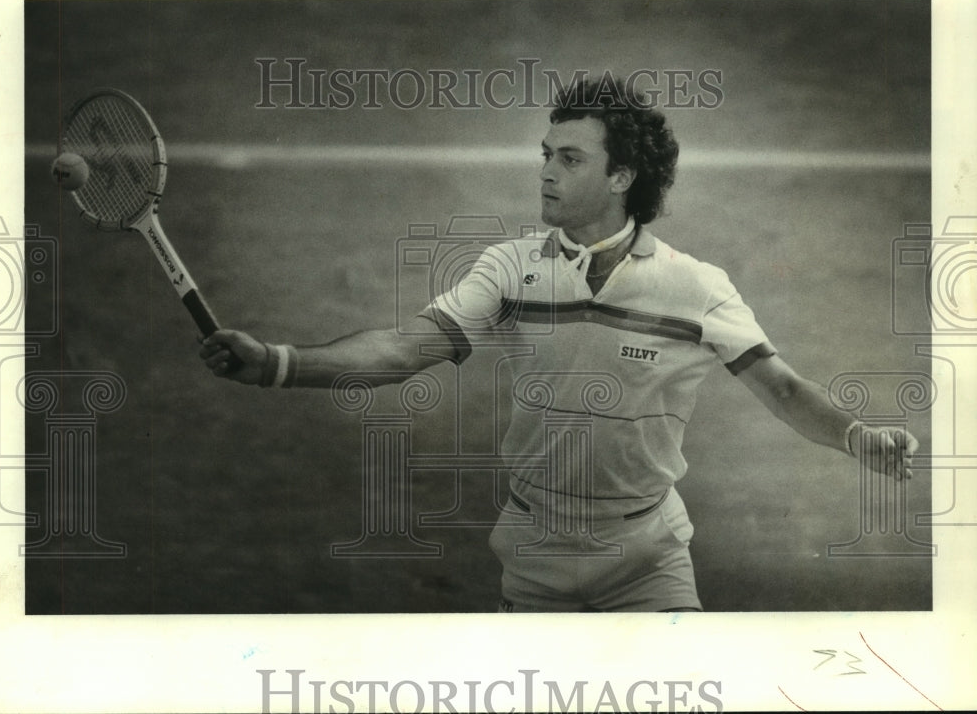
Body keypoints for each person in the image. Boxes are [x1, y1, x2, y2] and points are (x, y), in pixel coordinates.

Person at [200, 76, 918, 612]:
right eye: (546, 153)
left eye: (569, 158)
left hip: (649, 559)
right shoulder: (510, 269)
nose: (545, 170)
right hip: (536, 554)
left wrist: (860, 438)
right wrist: (277, 363)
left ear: (621, 176)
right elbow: (401, 349)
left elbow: (784, 388)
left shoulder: (695, 287)